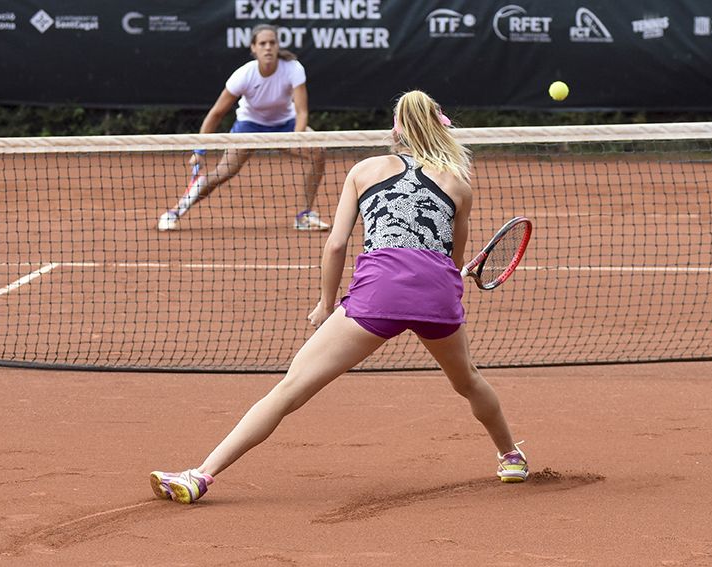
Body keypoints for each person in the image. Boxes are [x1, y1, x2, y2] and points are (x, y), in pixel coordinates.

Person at [150, 90, 528, 504]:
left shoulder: (364, 170)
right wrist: (444, 289)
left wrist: (326, 305)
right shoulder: (458, 184)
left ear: (394, 130)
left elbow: (335, 245)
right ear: (442, 129)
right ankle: (510, 456)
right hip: (436, 297)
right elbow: (453, 263)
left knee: (289, 389)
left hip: (375, 297)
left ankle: (201, 475)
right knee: (469, 380)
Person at [157, 23, 329, 231]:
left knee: (318, 152)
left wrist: (296, 137)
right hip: (249, 127)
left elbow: (301, 111)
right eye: (262, 44)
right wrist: (199, 151)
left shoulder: (293, 69)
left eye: (272, 43)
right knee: (223, 172)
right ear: (253, 48)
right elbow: (216, 113)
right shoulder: (243, 75)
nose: (268, 48)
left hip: (286, 125)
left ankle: (304, 215)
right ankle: (174, 211)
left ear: (277, 46)